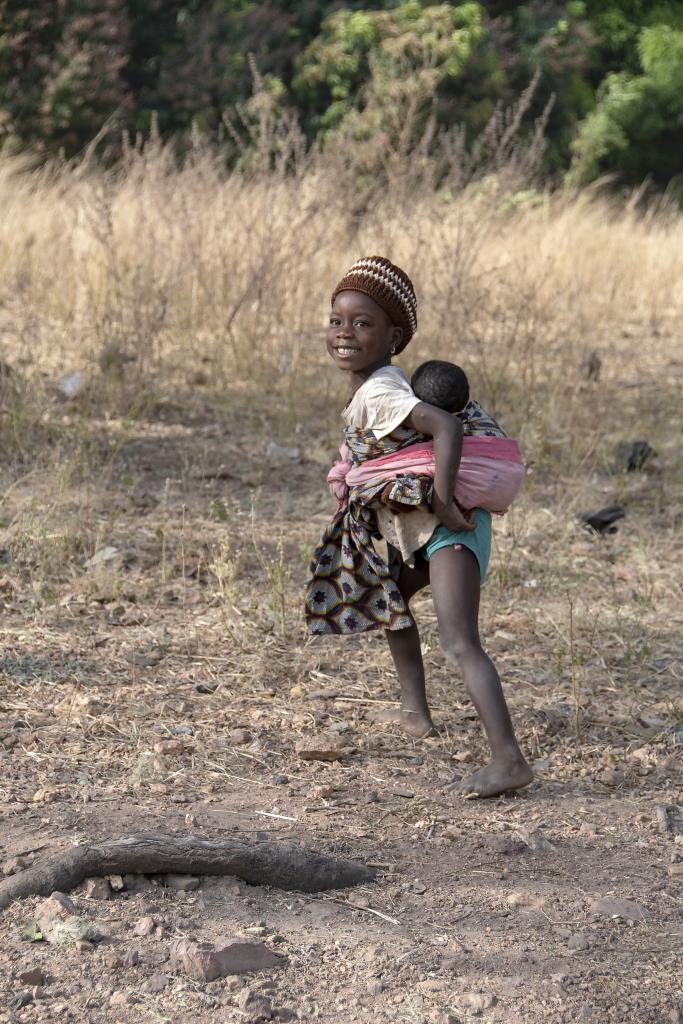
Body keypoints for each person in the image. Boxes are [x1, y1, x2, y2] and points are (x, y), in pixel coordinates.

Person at [305, 255, 532, 798]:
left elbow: (447, 427)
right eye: (338, 320)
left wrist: (444, 499)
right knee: (390, 601)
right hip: (424, 536)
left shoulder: (380, 392)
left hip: (448, 531)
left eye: (363, 324)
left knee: (459, 642)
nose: (345, 333)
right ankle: (415, 715)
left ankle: (508, 761)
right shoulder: (381, 384)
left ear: (394, 337)